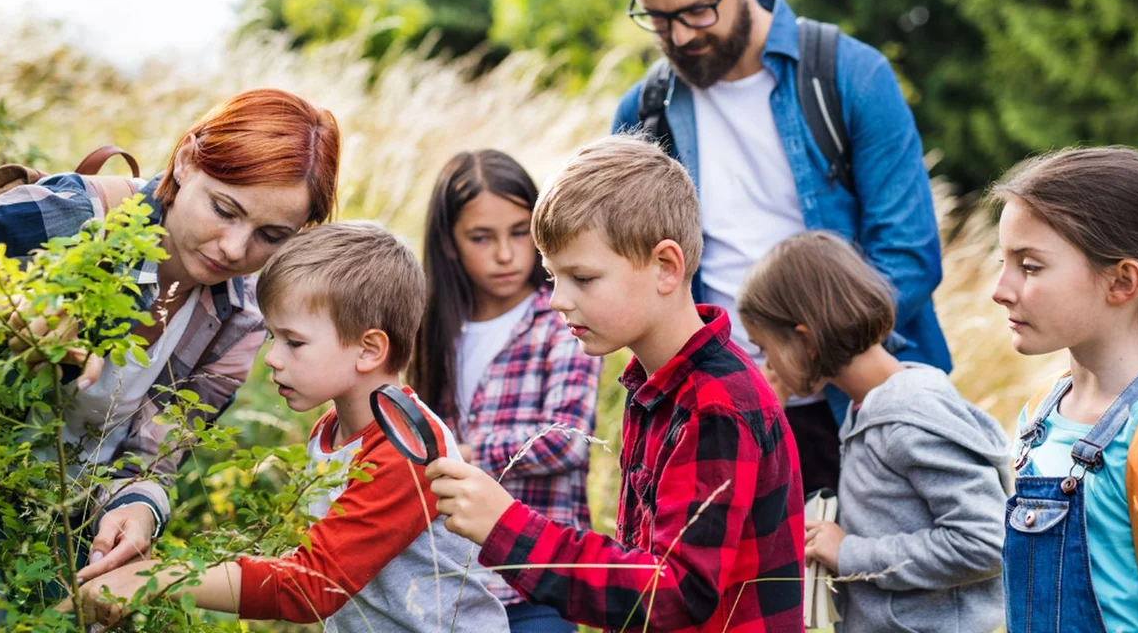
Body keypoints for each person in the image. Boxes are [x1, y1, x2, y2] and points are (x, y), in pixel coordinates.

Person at [0, 89, 341, 624]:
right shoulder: (83, 215)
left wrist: (136, 509)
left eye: (270, 236)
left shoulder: (241, 318)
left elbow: (153, 454)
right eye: (224, 209)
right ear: (186, 160)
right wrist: (1, 308)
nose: (235, 249)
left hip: (59, 521)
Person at [609, 0, 949, 493]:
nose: (682, 37)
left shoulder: (851, 76)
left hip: (862, 410)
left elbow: (911, 255)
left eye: (696, 11)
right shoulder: (643, 115)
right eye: (658, 19)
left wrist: (796, 360)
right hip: (713, 414)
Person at [426, 135, 805, 632]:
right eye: (552, 276)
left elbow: (671, 594)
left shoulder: (714, 404)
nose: (558, 299)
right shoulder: (655, 386)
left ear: (665, 267)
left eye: (582, 278)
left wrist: (508, 528)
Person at [73, 221, 509, 631]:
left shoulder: (407, 448)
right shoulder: (333, 429)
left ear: (369, 349)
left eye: (294, 342)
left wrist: (157, 577)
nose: (274, 358)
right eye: (272, 338)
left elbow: (310, 586)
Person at [737, 231, 1007, 632]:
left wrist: (850, 552)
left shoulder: (908, 416)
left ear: (805, 341)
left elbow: (987, 541)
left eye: (764, 348)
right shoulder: (865, 410)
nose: (765, 364)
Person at [991, 146, 1138, 632]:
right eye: (1003, 261)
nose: (1001, 289)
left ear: (1122, 282)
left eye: (1029, 266)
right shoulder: (1039, 418)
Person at [408, 150, 601, 633]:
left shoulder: (562, 319)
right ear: (449, 243)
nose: (505, 254)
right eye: (481, 237)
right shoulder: (432, 332)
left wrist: (467, 455)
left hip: (537, 585)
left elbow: (569, 440)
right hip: (452, 588)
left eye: (519, 232)